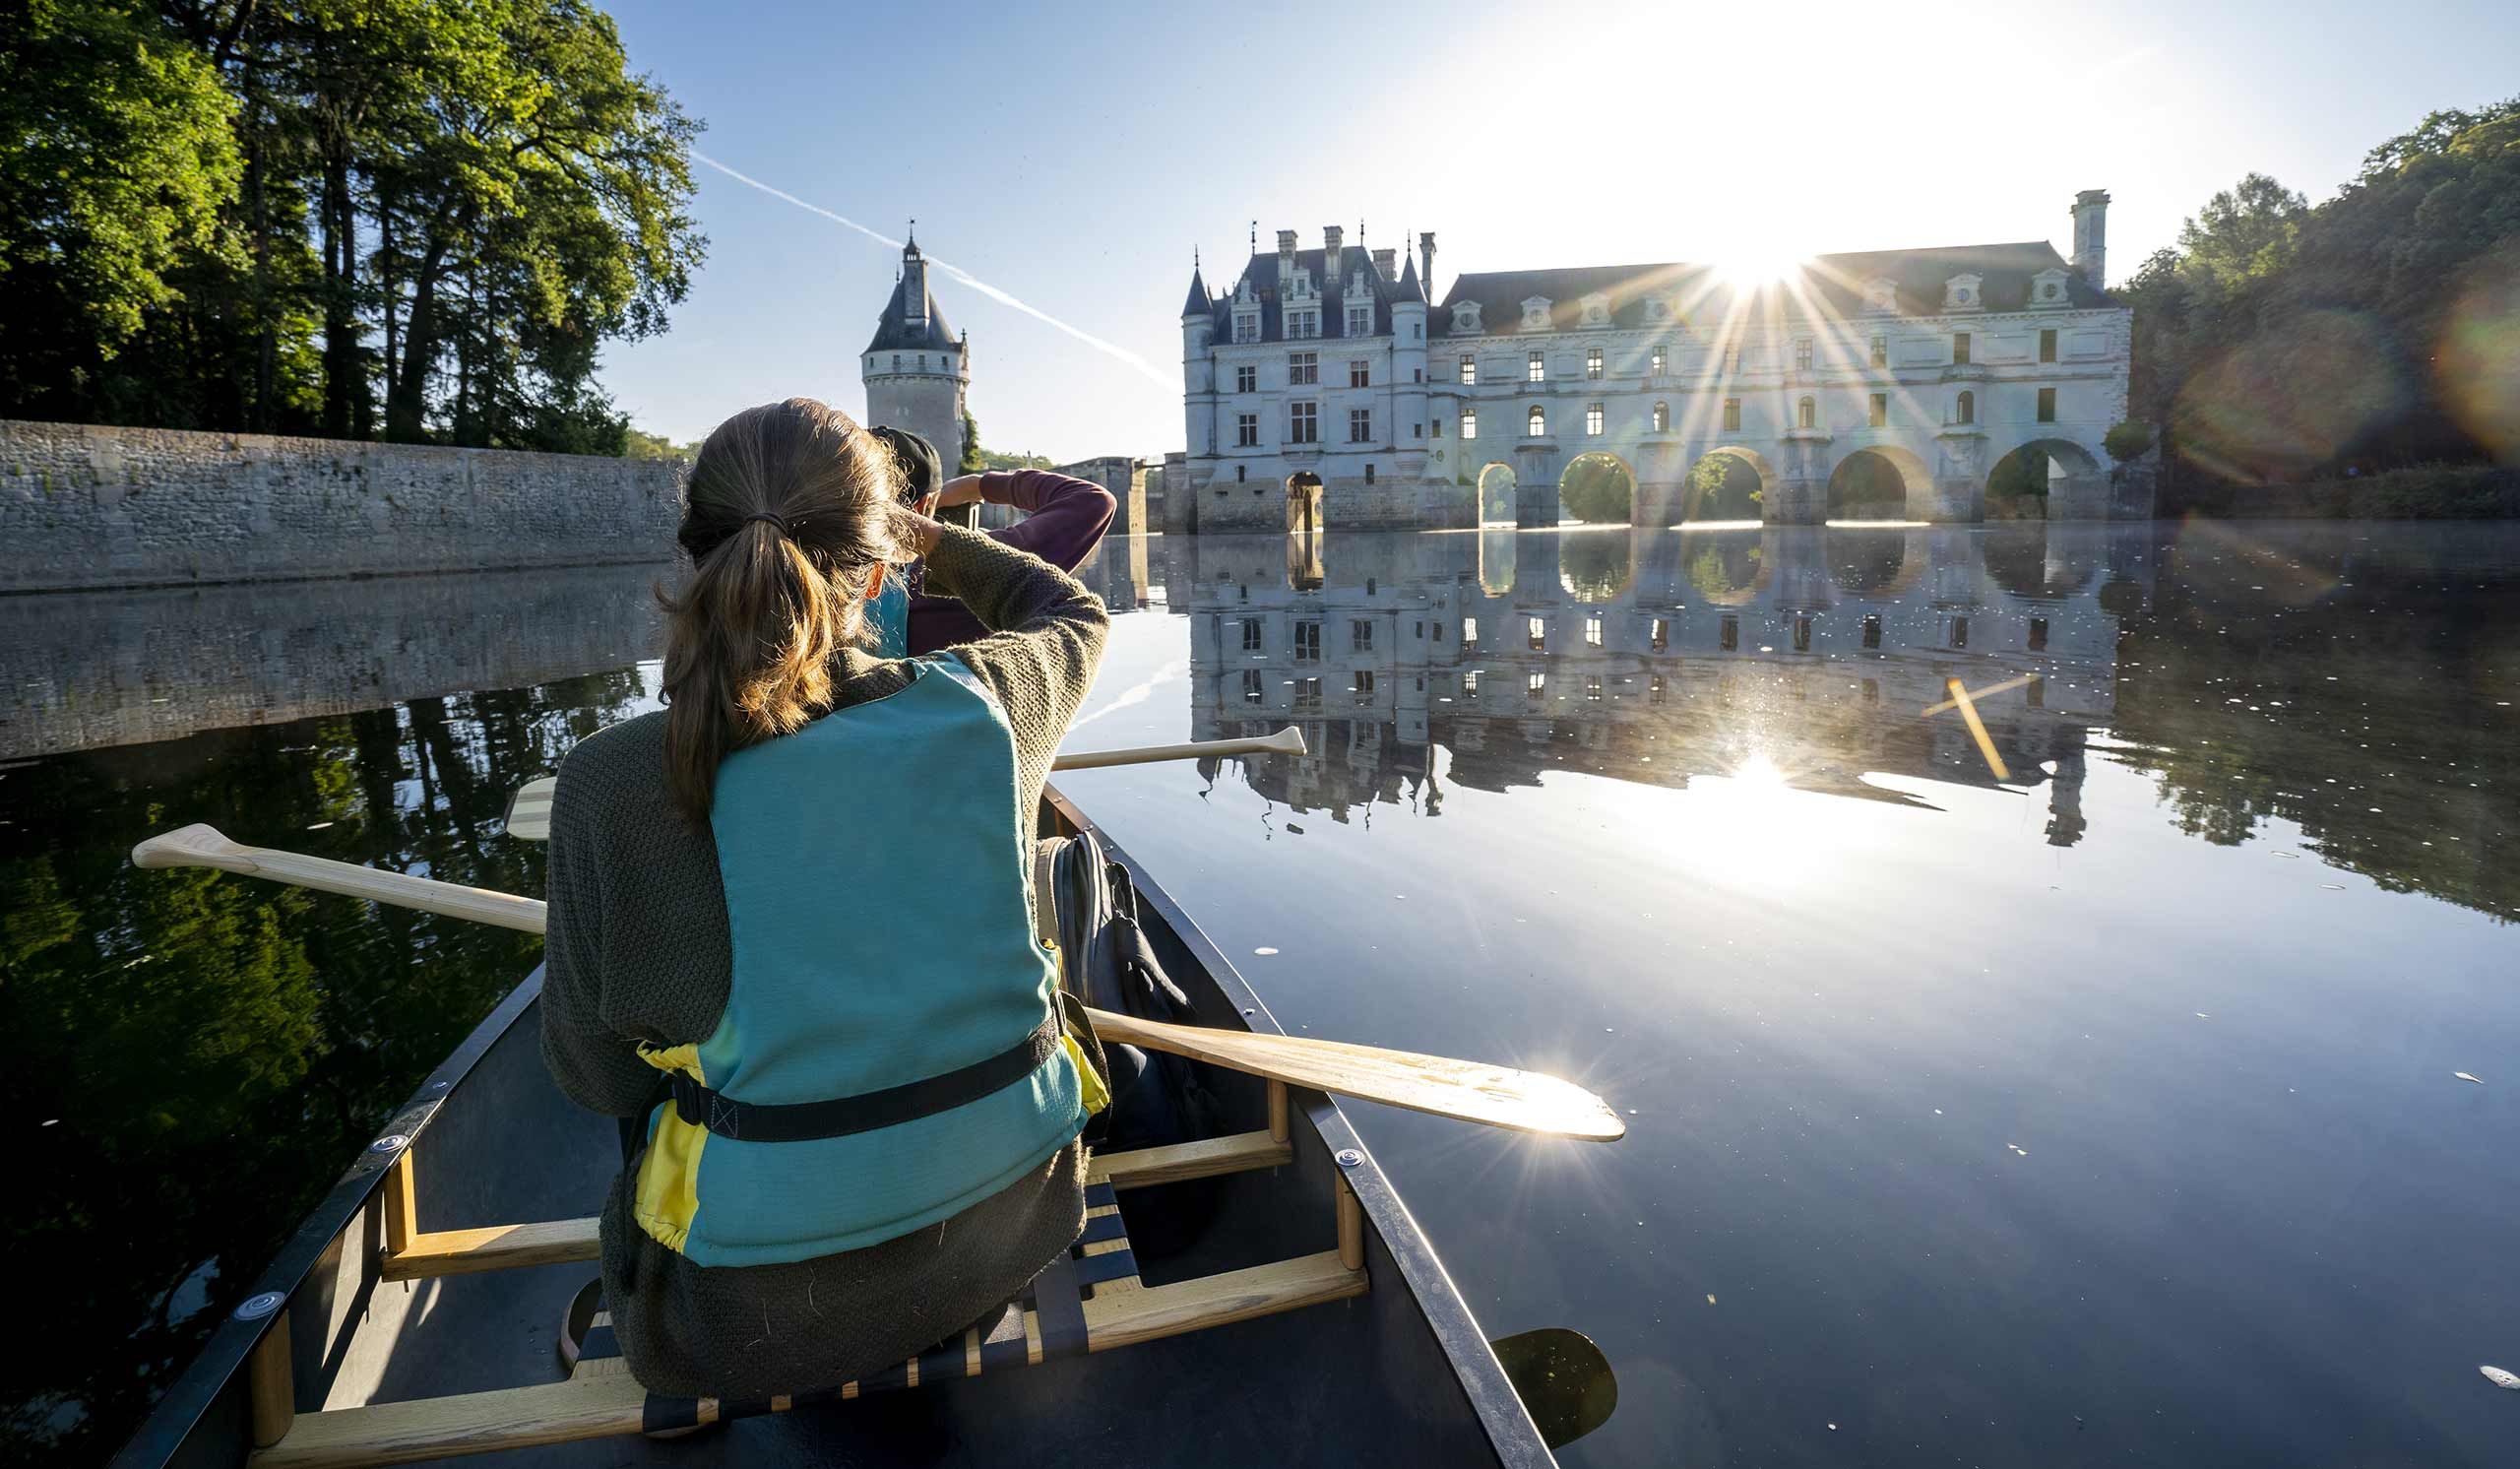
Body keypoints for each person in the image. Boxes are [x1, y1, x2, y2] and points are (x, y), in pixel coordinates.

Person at [537, 397, 1110, 1398]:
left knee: (649, 1087)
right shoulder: (986, 705)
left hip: (735, 1326)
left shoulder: (611, 784)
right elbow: (1073, 613)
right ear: (882, 565)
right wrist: (929, 530)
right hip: (1022, 1222)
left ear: (693, 559)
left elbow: (595, 1078)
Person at [864, 425, 1117, 656]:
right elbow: (1093, 500)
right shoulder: (966, 567)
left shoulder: (832, 575)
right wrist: (979, 485)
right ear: (925, 504)